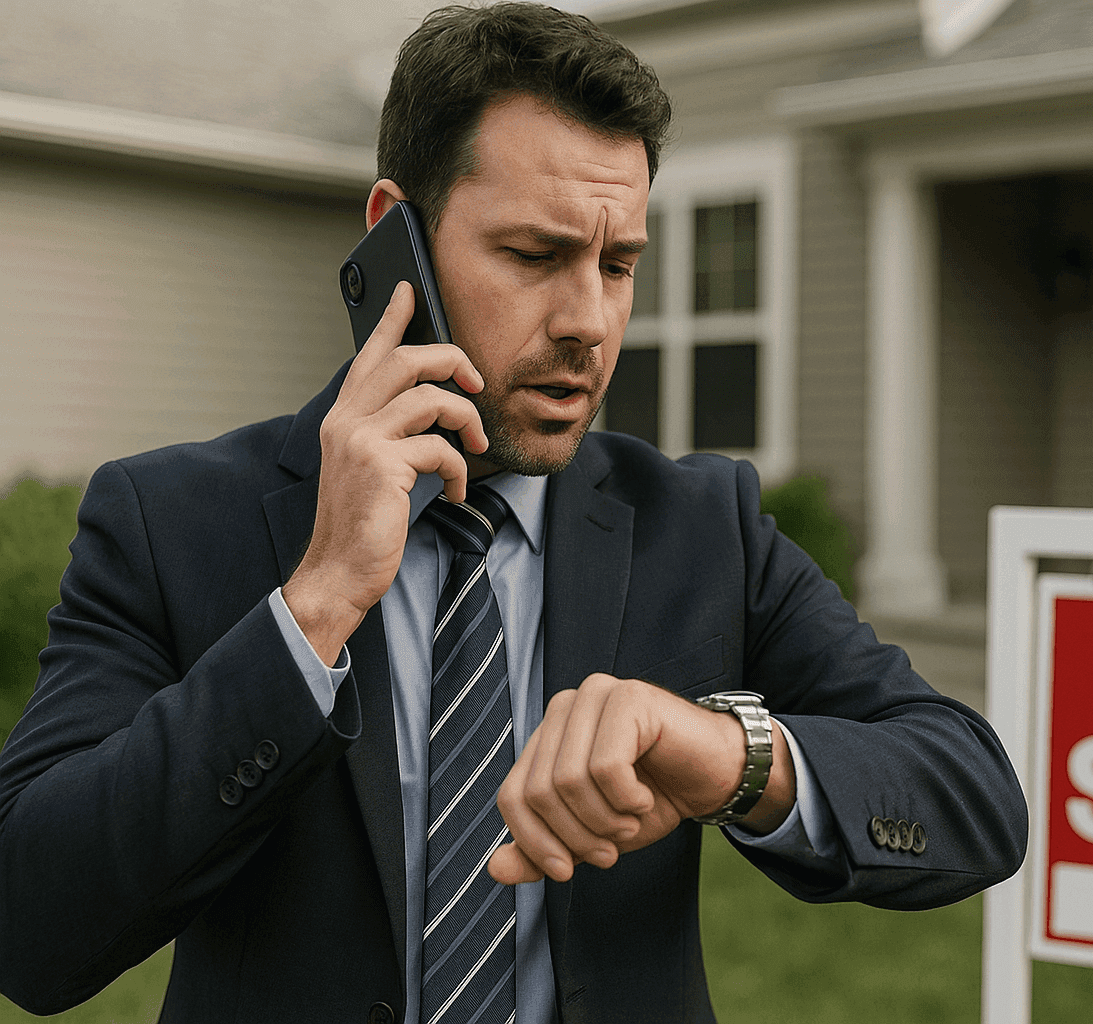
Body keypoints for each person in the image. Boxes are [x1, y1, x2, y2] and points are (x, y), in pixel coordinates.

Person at [0, 4, 1028, 1022]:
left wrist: (724, 752)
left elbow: (973, 800)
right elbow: (32, 929)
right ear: (394, 237)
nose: (590, 322)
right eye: (535, 257)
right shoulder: (168, 519)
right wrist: (312, 608)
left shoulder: (704, 527)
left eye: (618, 265)